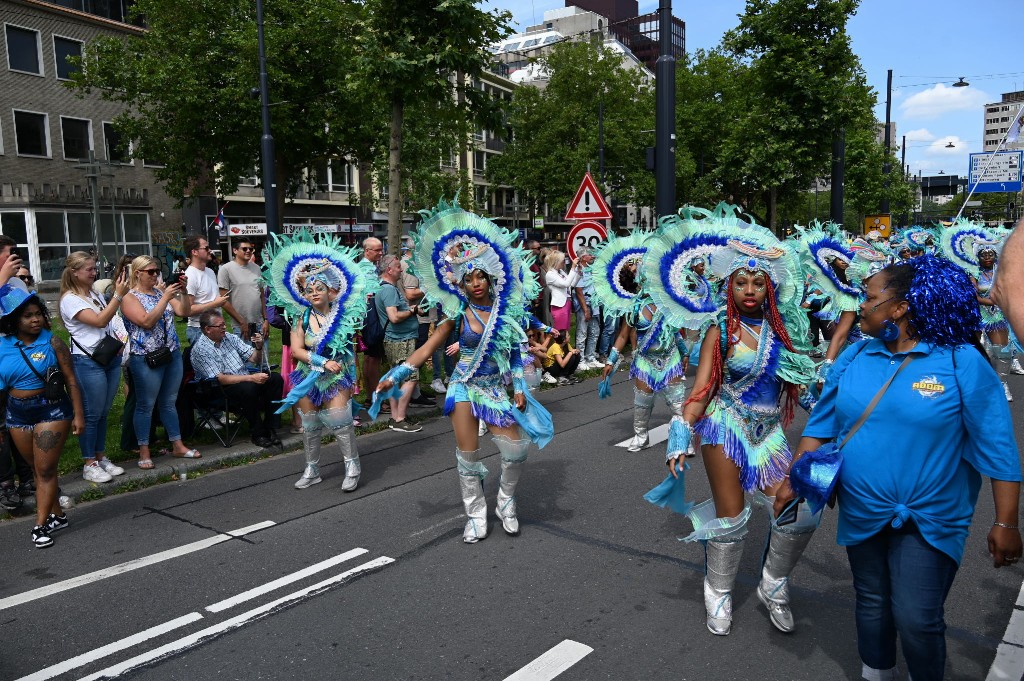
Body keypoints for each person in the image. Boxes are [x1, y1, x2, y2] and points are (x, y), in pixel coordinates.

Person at [777, 256, 1023, 681]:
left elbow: (998, 448)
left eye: (870, 297)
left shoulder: (960, 360)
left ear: (900, 307)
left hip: (931, 516)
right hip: (862, 508)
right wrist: (792, 478)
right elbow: (819, 426)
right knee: (871, 601)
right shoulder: (855, 355)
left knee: (917, 616)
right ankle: (878, 673)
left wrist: (1006, 522)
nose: (861, 303)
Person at [642, 206, 818, 637]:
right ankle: (718, 590)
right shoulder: (718, 331)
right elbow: (701, 390)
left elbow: (804, 389)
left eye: (759, 282)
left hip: (769, 432)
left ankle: (773, 584)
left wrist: (830, 393)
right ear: (728, 286)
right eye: (741, 282)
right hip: (725, 425)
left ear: (771, 287)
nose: (750, 290)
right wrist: (680, 434)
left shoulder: (785, 332)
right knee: (733, 516)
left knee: (800, 510)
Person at [375, 199, 552, 544]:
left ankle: (505, 501)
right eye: (469, 279)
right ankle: (475, 514)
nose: (476, 284)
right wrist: (396, 375)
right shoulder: (456, 315)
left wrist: (517, 383)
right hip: (463, 387)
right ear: (461, 284)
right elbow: (427, 348)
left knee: (516, 451)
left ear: (490, 277)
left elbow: (514, 353)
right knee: (468, 455)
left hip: (495, 389)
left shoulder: (506, 313)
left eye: (480, 277)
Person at [264, 230, 379, 491]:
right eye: (309, 290)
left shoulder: (344, 316)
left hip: (338, 376)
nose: (314, 293)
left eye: (319, 289)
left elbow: (349, 347)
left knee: (340, 420)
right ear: (303, 294)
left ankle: (352, 466)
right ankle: (312, 469)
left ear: (331, 292)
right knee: (310, 424)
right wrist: (321, 361)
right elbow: (296, 350)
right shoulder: (300, 318)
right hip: (308, 375)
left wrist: (335, 365)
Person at [0, 287, 84, 548]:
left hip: (52, 409)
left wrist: (78, 415)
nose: (35, 320)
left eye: (38, 314)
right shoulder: (2, 346)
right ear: (14, 320)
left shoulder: (53, 342)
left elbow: (71, 379)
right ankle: (58, 515)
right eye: (28, 316)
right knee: (38, 469)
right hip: (17, 412)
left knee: (46, 469)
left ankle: (40, 524)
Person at [595, 232, 688, 453]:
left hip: (670, 358)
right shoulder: (635, 306)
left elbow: (676, 333)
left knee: (677, 405)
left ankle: (682, 440)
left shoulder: (668, 304)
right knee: (643, 403)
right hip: (645, 361)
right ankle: (640, 435)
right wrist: (611, 360)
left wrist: (684, 354)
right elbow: (623, 336)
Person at [121, 255, 200, 468]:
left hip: (171, 353)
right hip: (146, 357)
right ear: (137, 273)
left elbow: (184, 311)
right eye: (150, 272)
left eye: (157, 271)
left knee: (169, 401)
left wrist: (182, 292)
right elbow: (146, 322)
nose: (156, 275)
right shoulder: (130, 297)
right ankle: (144, 450)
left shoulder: (160, 292)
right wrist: (165, 297)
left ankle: (177, 444)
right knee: (145, 404)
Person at [59, 251, 130, 483]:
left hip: (108, 356)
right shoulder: (70, 299)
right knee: (91, 413)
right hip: (87, 360)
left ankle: (100, 457)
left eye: (94, 268)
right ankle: (89, 462)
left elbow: (107, 324)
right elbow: (99, 320)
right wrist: (117, 297)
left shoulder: (94, 293)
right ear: (74, 272)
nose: (94, 272)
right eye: (89, 269)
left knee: (103, 411)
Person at [191, 311, 283, 448]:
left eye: (224, 324)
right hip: (219, 388)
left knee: (275, 379)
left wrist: (258, 346)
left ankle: (271, 427)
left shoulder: (229, 338)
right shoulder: (200, 350)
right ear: (207, 329)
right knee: (248, 387)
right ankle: (258, 434)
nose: (224, 328)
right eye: (220, 326)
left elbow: (254, 358)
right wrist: (251, 378)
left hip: (244, 379)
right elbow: (221, 379)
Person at [375, 254, 423, 432]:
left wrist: (413, 310)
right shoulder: (388, 290)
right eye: (397, 267)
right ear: (389, 270)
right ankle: (400, 418)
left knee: (394, 379)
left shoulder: (388, 288)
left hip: (398, 339)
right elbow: (394, 317)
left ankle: (395, 417)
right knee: (410, 377)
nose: (401, 269)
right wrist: (412, 312)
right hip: (400, 339)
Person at [218, 238, 269, 344]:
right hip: (240, 326)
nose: (248, 251)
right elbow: (223, 301)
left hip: (260, 324)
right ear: (235, 250)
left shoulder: (256, 268)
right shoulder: (226, 269)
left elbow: (261, 296)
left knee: (263, 359)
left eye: (251, 249)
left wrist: (266, 320)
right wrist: (241, 322)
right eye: (244, 248)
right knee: (247, 359)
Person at [183, 235, 229, 345]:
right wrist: (215, 303)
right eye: (206, 248)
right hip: (200, 331)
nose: (210, 251)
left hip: (216, 329)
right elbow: (188, 310)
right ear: (194, 252)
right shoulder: (190, 275)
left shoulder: (210, 272)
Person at [359, 237, 386, 396]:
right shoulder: (366, 269)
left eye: (381, 249)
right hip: (371, 316)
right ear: (367, 251)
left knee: (370, 357)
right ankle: (374, 396)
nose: (381, 253)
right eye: (377, 250)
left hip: (368, 316)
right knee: (373, 359)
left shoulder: (366, 267)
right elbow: (373, 294)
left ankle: (371, 396)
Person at [990, 216, 1024, 342]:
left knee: (1003, 351)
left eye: (990, 254)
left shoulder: (998, 270)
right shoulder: (975, 273)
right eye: (983, 255)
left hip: (1001, 315)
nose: (987, 257)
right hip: (983, 316)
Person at [573, 248, 602, 370]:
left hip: (594, 304)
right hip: (584, 304)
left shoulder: (591, 270)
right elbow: (579, 291)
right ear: (583, 257)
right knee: (582, 333)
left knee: (594, 332)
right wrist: (585, 309)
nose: (593, 257)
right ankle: (580, 360)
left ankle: (590, 357)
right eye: (590, 255)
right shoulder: (579, 270)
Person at [543, 250, 581, 336]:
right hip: (559, 306)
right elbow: (566, 284)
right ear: (556, 262)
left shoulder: (561, 272)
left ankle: (566, 348)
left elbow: (571, 285)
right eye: (563, 260)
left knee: (566, 331)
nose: (565, 262)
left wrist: (578, 272)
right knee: (561, 332)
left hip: (567, 302)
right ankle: (558, 348)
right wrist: (572, 268)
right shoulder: (550, 274)